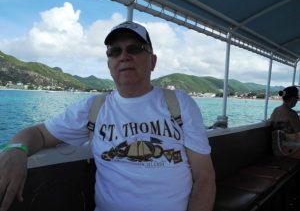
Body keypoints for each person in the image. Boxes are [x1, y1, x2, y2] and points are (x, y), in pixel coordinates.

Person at [0, 21, 216, 211]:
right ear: (109, 64)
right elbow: (38, 133)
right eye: (114, 51)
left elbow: (204, 178)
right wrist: (16, 150)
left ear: (153, 61)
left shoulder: (179, 103)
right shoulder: (94, 107)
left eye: (135, 48)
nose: (124, 56)